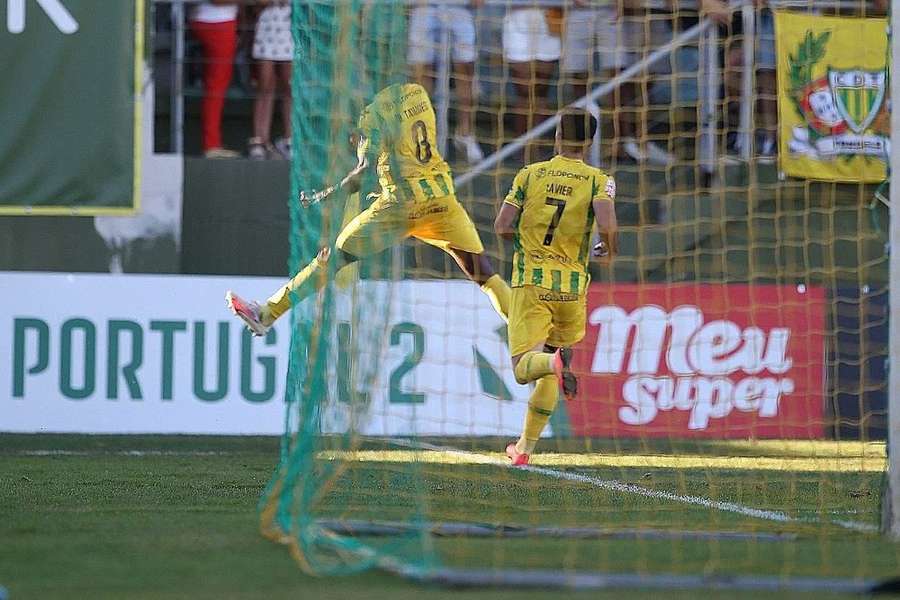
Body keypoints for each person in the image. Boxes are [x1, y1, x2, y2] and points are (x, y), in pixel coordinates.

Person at [225, 82, 512, 334]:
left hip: (399, 208)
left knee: (333, 258)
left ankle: (267, 313)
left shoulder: (371, 117)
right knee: (485, 274)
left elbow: (362, 172)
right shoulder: (417, 93)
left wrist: (327, 194)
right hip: (442, 202)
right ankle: (531, 333)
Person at [494, 108, 618, 466]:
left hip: (532, 283)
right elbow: (608, 224)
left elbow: (502, 226)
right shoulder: (600, 179)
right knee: (551, 364)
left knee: (524, 368)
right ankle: (524, 450)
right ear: (590, 143)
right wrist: (609, 249)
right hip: (572, 289)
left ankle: (553, 361)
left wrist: (525, 240)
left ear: (556, 137)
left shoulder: (529, 175)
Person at [407, 0, 484, 164]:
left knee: (466, 66)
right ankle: (420, 136)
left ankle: (465, 134)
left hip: (460, 6)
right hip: (424, 6)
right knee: (422, 70)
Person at [502, 7, 561, 159]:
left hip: (548, 19)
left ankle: (538, 144)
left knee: (541, 90)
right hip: (517, 20)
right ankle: (522, 144)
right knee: (523, 90)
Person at [190, 0, 241, 158]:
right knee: (216, 86)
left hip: (217, 20)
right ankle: (211, 143)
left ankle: (212, 142)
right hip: (216, 22)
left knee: (218, 85)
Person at [247, 0, 293, 160]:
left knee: (289, 85)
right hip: (267, 27)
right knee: (265, 84)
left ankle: (290, 139)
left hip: (291, 26)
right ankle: (259, 140)